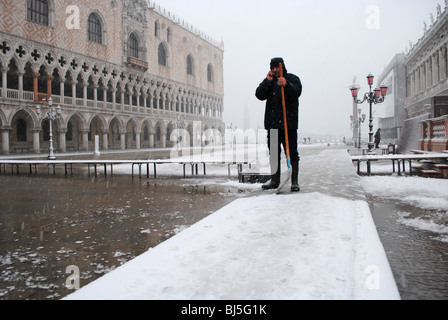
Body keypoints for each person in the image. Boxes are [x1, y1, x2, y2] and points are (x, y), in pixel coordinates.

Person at [255, 57, 302, 192]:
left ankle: (294, 181)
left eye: (277, 67)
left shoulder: (293, 79)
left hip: (289, 125)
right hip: (273, 125)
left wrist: (286, 84)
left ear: (282, 67)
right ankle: (275, 180)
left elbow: (296, 93)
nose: (275, 70)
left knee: (292, 153)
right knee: (274, 153)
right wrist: (267, 81)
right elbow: (259, 95)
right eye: (273, 67)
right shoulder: (270, 81)